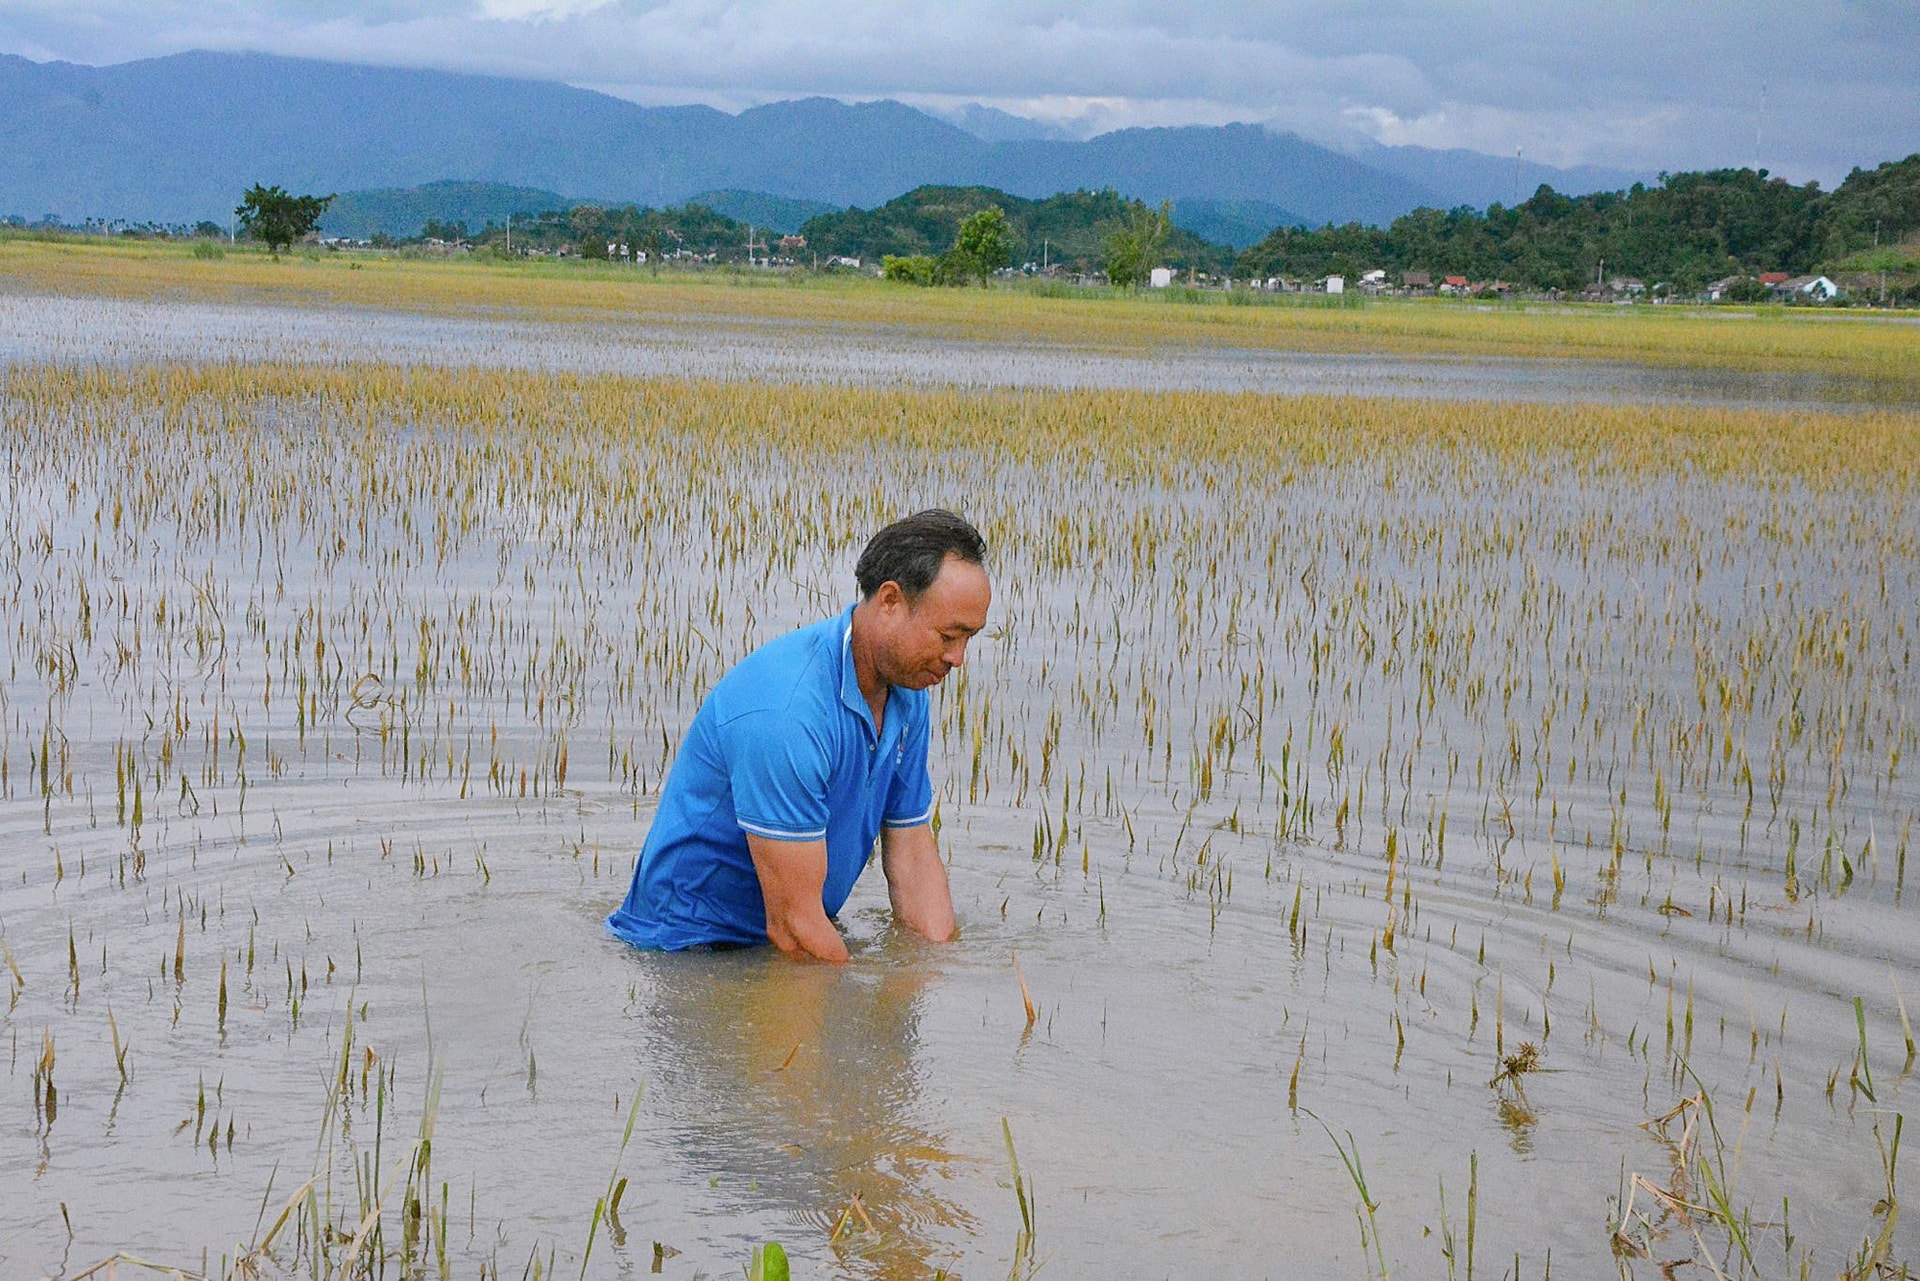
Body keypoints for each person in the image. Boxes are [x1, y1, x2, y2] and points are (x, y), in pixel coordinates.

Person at [607, 509, 990, 960]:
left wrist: (935, 971)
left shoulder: (908, 689)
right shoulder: (787, 710)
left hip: (796, 934)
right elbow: (793, 928)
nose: (958, 658)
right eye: (949, 635)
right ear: (890, 601)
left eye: (971, 638)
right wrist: (859, 1005)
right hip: (688, 951)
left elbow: (912, 861)